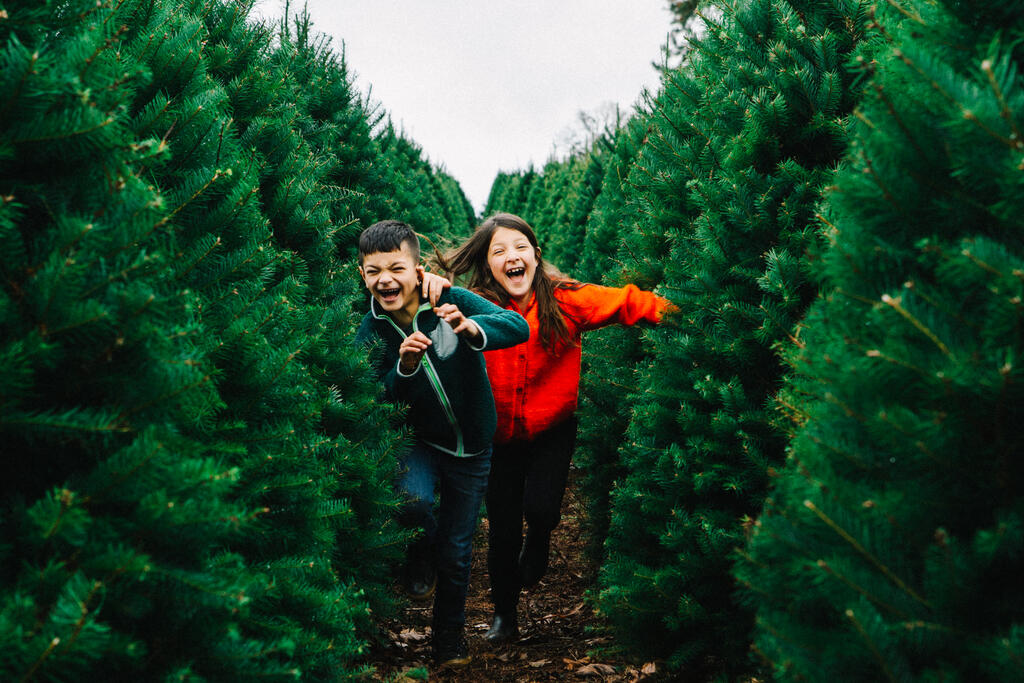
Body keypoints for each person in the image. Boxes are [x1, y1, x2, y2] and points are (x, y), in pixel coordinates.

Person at [429, 212, 674, 645]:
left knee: (541, 509)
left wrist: (681, 314)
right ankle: (505, 616)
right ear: (487, 265)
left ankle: (541, 536)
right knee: (502, 529)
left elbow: (624, 301)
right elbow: (420, 295)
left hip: (551, 430)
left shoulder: (565, 300)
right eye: (499, 251)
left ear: (537, 257)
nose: (512, 257)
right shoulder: (476, 305)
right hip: (498, 436)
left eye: (520, 247)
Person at [354, 220, 529, 668]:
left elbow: (515, 325)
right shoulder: (370, 330)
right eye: (374, 272)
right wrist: (405, 367)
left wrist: (470, 329)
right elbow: (369, 397)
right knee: (412, 502)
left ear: (418, 269)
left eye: (396, 268)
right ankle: (420, 548)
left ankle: (448, 642)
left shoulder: (446, 298)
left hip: (472, 444)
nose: (385, 280)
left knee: (458, 549)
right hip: (420, 440)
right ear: (362, 274)